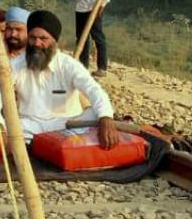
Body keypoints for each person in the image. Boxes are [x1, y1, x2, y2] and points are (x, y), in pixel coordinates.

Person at [12, 10, 119, 145]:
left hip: (68, 126)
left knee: (96, 113)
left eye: (43, 39)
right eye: (33, 38)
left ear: (55, 41)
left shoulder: (69, 65)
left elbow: (94, 90)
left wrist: (106, 118)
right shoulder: (15, 65)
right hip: (29, 126)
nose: (37, 43)